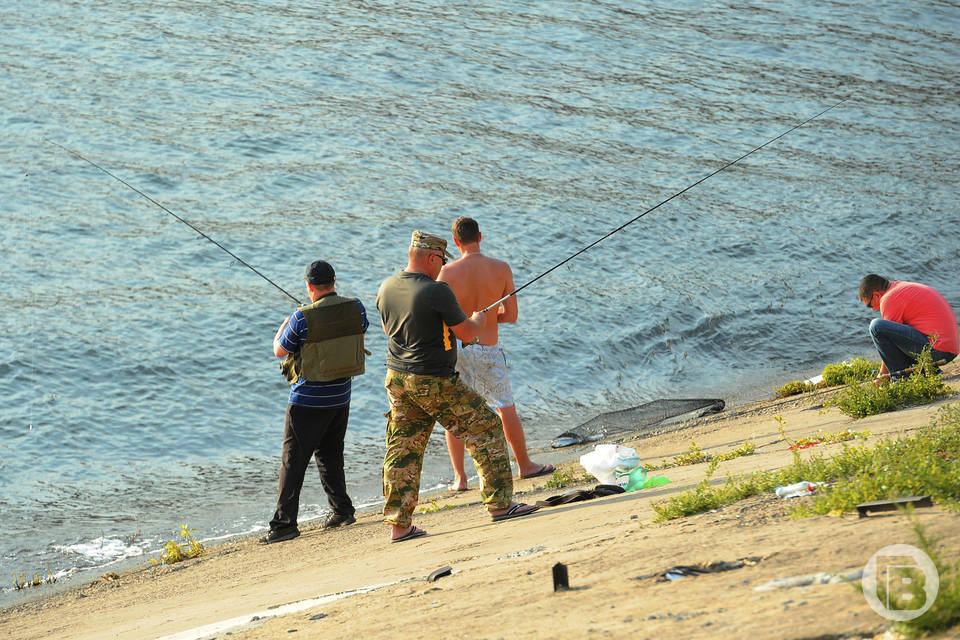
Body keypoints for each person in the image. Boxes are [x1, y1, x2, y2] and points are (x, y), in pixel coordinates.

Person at [375, 230, 540, 543]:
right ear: (432, 257)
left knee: (403, 449)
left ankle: (399, 525)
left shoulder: (387, 287)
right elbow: (467, 333)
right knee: (487, 427)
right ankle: (500, 504)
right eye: (440, 261)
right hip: (433, 378)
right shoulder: (436, 290)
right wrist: (479, 318)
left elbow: (388, 328)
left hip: (396, 378)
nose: (441, 267)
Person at [437, 216, 554, 490]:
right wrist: (487, 320)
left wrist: (467, 321)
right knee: (504, 406)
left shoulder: (446, 274)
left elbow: (441, 319)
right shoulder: (501, 268)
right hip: (488, 349)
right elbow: (511, 315)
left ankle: (460, 478)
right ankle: (524, 465)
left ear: (455, 242)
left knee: (455, 413)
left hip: (458, 351)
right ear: (480, 237)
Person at [260, 260, 369, 544]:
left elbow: (279, 350)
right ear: (334, 282)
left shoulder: (300, 317)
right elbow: (360, 332)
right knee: (330, 455)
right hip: (340, 397)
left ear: (309, 287)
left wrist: (284, 324)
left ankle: (284, 525)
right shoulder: (356, 307)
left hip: (306, 401)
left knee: (292, 462)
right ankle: (342, 510)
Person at [858, 274, 958, 382]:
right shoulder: (900, 288)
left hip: (938, 350)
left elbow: (887, 343)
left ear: (876, 295)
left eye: (869, 305)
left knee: (876, 326)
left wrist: (882, 375)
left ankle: (900, 379)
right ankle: (928, 371)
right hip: (951, 349)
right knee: (897, 331)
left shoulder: (889, 298)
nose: (872, 309)